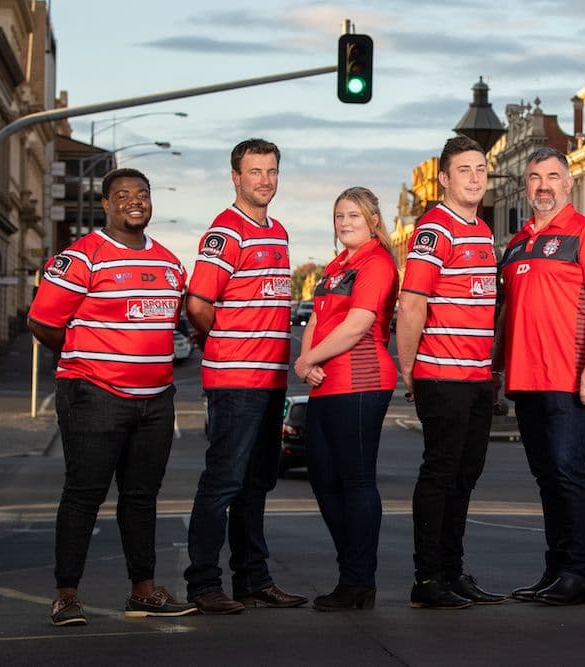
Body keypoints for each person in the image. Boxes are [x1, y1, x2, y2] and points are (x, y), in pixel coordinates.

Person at [28, 168, 197, 625]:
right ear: (105, 204)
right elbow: (41, 322)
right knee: (84, 494)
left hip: (156, 400)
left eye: (142, 194)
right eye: (122, 195)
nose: (134, 201)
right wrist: (87, 357)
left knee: (142, 497)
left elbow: (172, 323)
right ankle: (66, 594)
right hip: (93, 394)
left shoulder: (168, 263)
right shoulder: (82, 257)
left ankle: (143, 590)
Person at [184, 139, 307, 614]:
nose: (264, 180)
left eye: (272, 171)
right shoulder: (225, 231)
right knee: (223, 483)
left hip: (272, 383)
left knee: (257, 485)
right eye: (255, 171)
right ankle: (203, 584)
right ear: (235, 177)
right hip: (236, 383)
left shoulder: (277, 232)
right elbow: (198, 303)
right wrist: (228, 346)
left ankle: (253, 579)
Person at [494, 147, 585, 606]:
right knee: (546, 478)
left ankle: (579, 574)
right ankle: (555, 570)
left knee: (568, 472)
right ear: (526, 186)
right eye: (533, 178)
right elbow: (507, 314)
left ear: (568, 184)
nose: (543, 186)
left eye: (552, 177)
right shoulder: (517, 243)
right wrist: (495, 368)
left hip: (568, 376)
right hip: (524, 380)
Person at [397, 136, 507, 609]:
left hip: (477, 378)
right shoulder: (433, 230)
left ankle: (452, 571)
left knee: (466, 476)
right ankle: (427, 579)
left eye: (480, 168)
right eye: (464, 170)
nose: (475, 177)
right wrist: (410, 371)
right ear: (444, 178)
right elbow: (411, 305)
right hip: (441, 376)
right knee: (440, 475)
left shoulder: (481, 231)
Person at [293, 187, 398, 611]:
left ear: (373, 219)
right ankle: (352, 568)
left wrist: (308, 360)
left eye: (354, 214)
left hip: (361, 380)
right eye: (339, 215)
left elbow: (358, 325)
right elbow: (317, 317)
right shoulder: (337, 265)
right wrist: (306, 359)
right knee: (321, 476)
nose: (345, 222)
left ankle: (358, 581)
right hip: (325, 380)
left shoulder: (377, 262)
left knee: (355, 480)